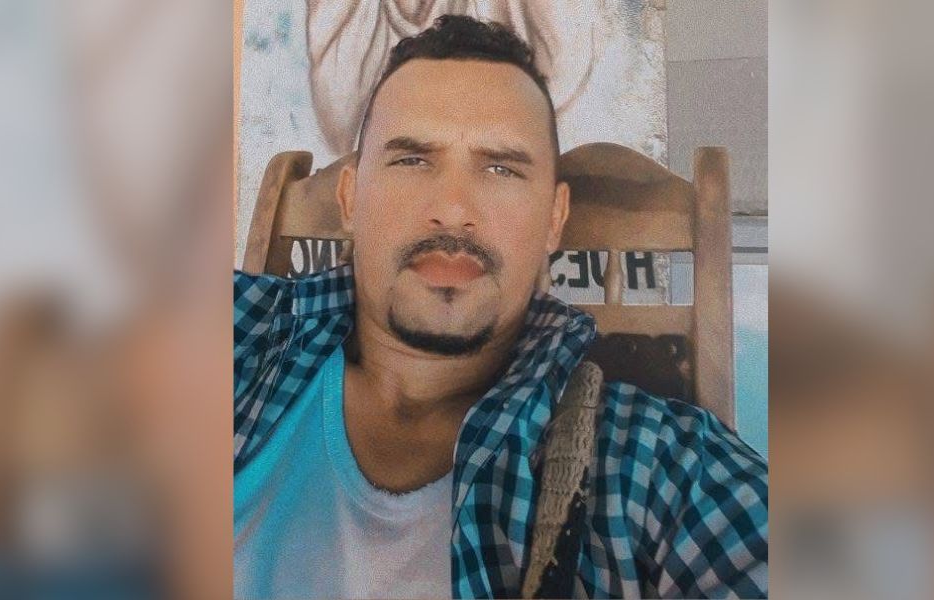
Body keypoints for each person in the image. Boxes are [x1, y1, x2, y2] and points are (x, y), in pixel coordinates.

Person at [234, 15, 767, 598]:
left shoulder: (650, 466)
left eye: (500, 168)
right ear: (349, 199)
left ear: (555, 219)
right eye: (412, 160)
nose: (452, 210)